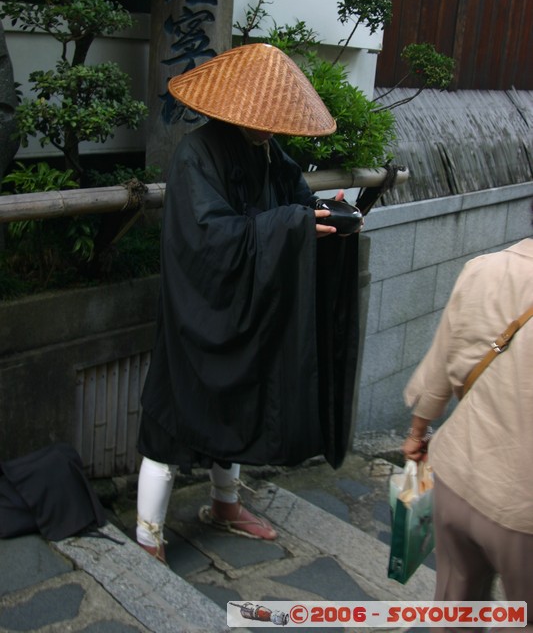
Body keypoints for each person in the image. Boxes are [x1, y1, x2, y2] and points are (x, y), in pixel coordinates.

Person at [136, 43, 363, 562]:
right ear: (234, 108)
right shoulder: (196, 154)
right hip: (200, 309)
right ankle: (148, 537)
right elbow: (207, 237)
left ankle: (225, 505)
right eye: (261, 121)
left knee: (235, 408)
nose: (268, 129)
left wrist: (325, 215)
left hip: (246, 307)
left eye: (274, 122)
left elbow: (295, 203)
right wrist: (291, 226)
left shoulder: (269, 152)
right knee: (170, 424)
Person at [402, 231, 533, 632]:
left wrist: (417, 434)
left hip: (455, 476)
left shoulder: (484, 269)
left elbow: (438, 367)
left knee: (455, 602)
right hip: (522, 509)